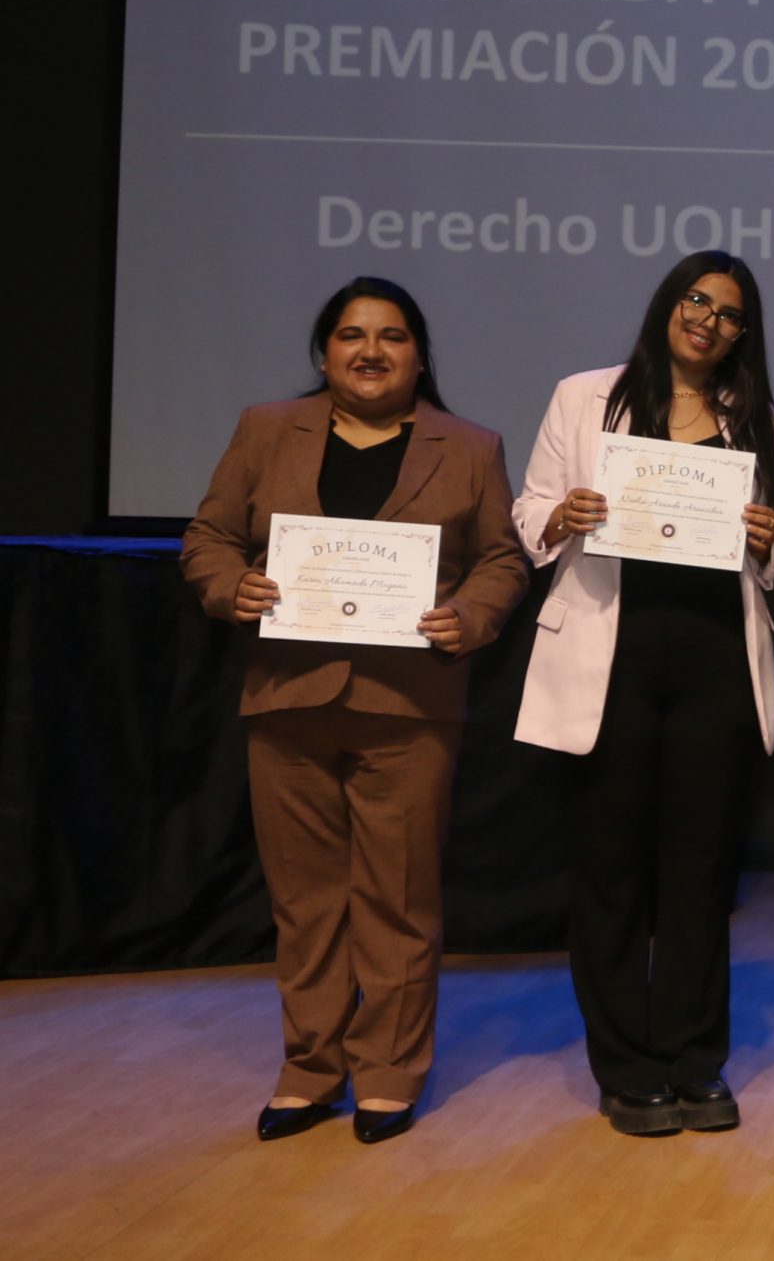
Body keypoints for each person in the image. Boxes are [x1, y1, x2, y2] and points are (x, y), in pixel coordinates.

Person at [180, 277, 528, 1146]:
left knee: (399, 899)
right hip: (289, 697)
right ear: (323, 351)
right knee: (304, 902)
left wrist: (471, 616)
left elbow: (503, 561)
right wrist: (234, 588)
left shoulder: (471, 445)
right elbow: (209, 538)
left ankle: (388, 1072)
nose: (370, 351)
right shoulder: (266, 429)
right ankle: (309, 1068)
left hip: (409, 705)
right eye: (350, 335)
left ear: (420, 353)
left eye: (392, 336)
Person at [514, 250, 774, 1137]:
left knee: (701, 877)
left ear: (743, 334)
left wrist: (767, 535)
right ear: (669, 304)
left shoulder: (753, 415)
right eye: (695, 300)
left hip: (714, 663)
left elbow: (773, 555)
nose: (707, 319)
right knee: (611, 875)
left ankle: (696, 1060)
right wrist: (563, 517)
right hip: (611, 658)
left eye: (728, 312)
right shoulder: (583, 394)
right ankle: (628, 1066)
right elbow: (530, 512)